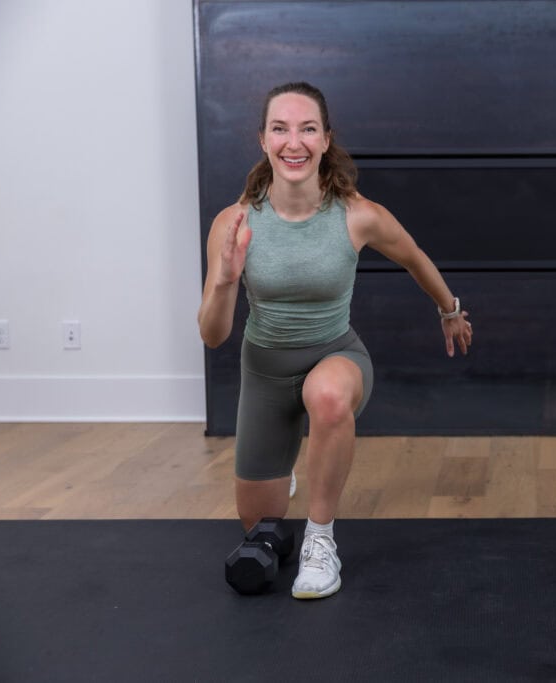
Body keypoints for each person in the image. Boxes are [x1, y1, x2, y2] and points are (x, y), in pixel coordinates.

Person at [198, 82, 472, 600]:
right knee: (259, 526)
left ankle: (321, 541)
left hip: (334, 356)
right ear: (263, 139)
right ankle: (292, 476)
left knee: (326, 397)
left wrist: (450, 310)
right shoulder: (232, 224)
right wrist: (225, 279)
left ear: (326, 139)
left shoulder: (355, 213)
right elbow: (213, 336)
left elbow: (413, 255)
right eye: (280, 128)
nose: (293, 141)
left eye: (307, 128)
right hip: (264, 373)